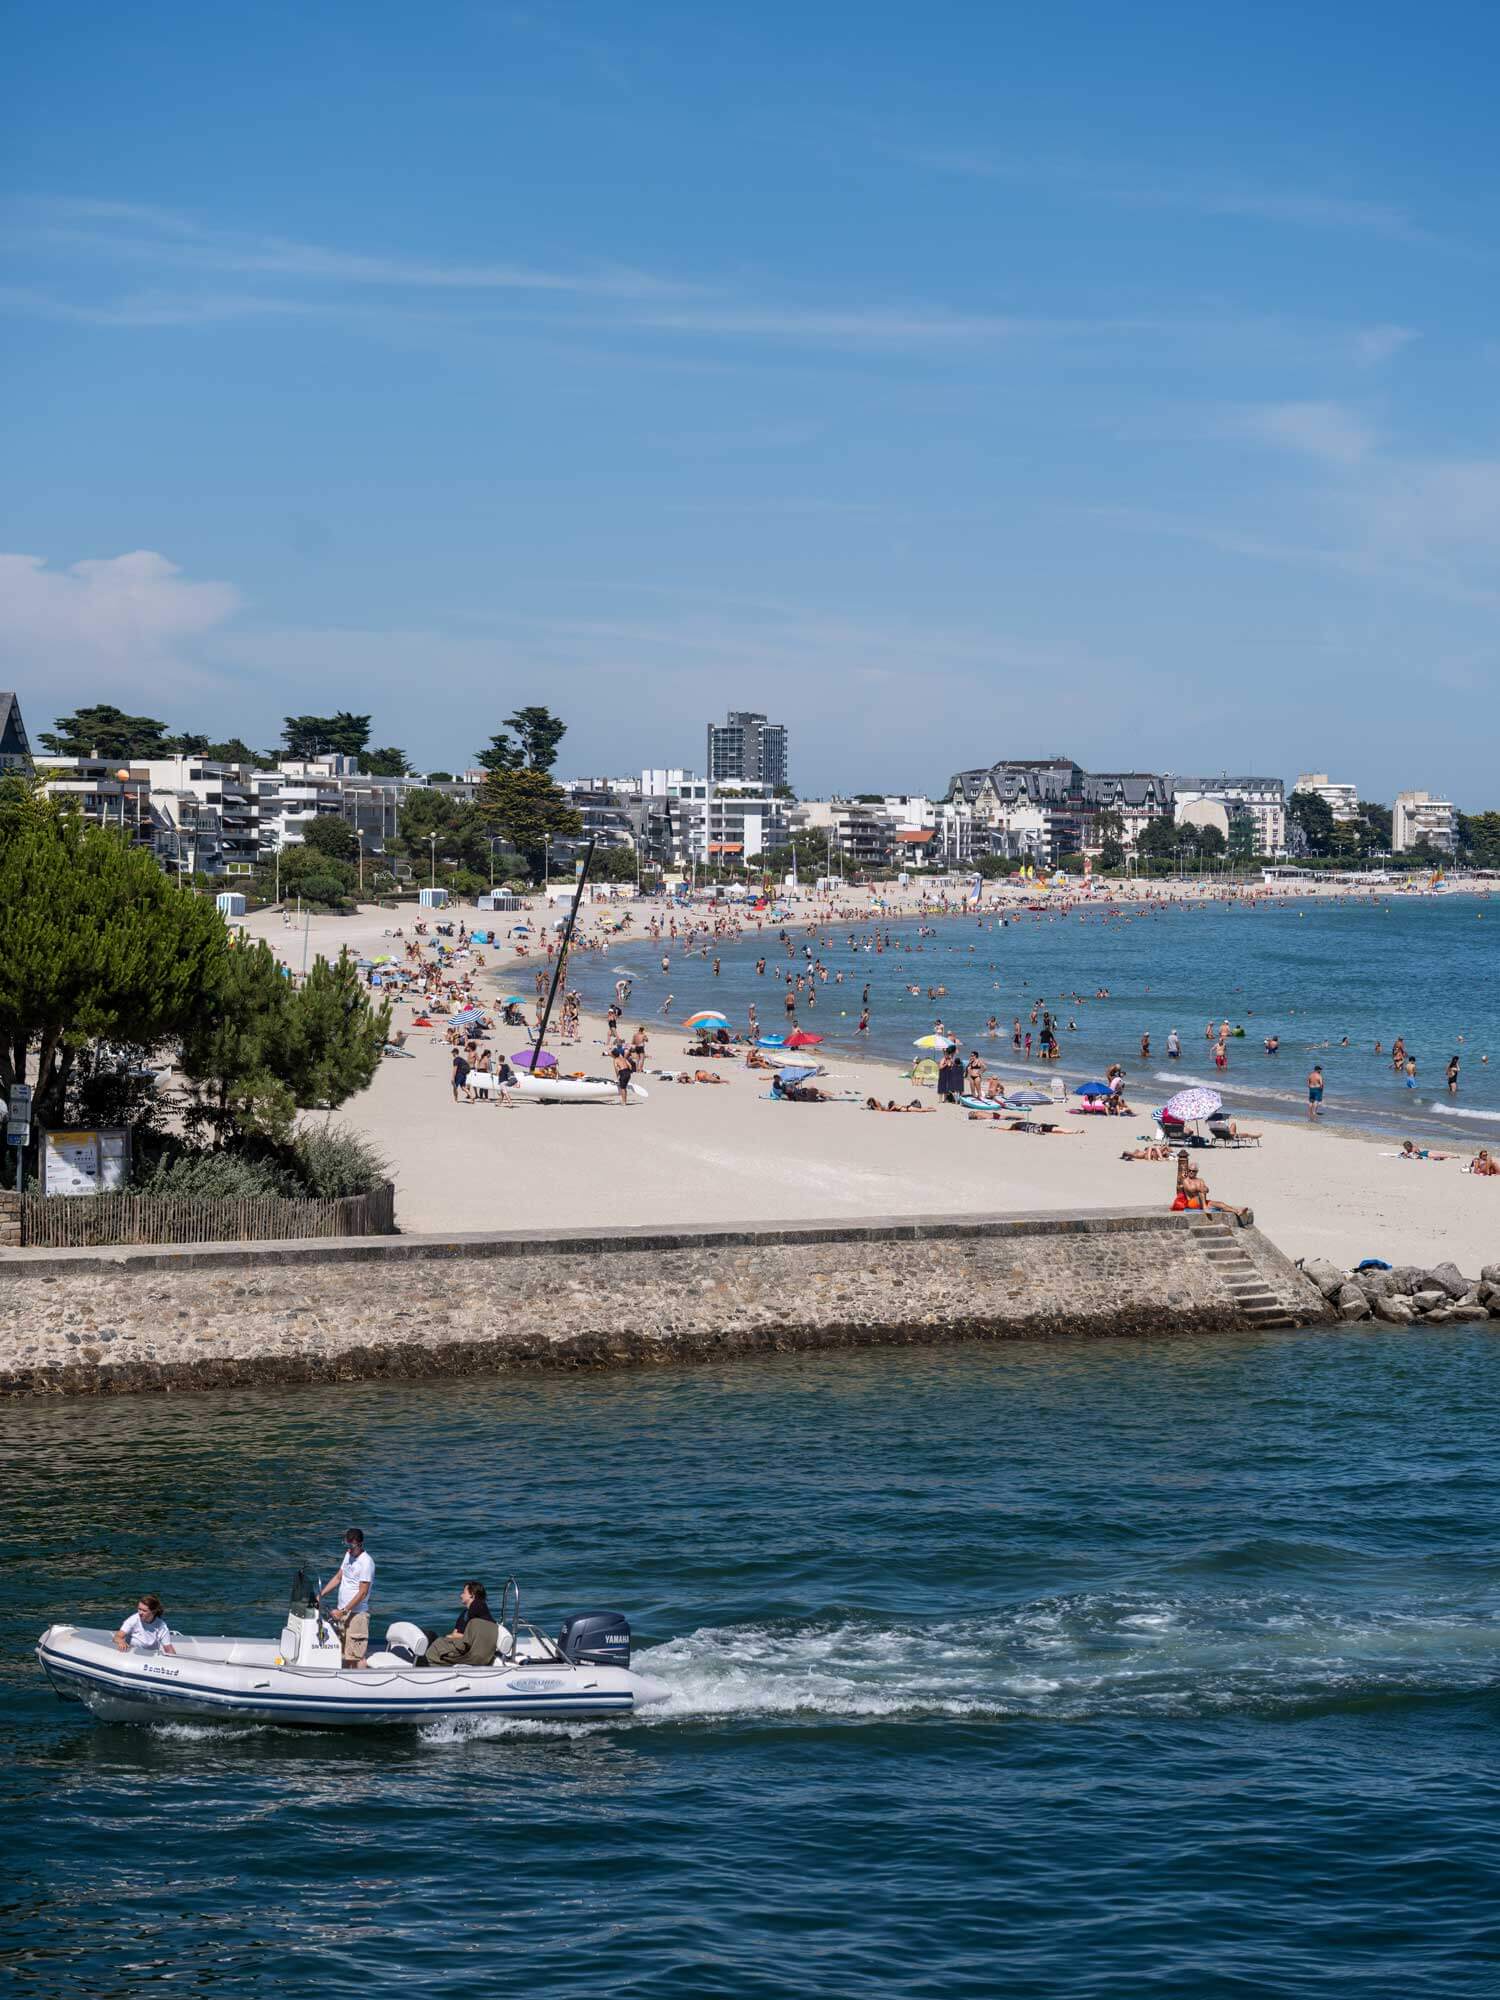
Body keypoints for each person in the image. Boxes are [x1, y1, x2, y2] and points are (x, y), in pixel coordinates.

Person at [317, 1528, 374, 1669]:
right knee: (343, 1653)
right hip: (342, 1613)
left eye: (352, 1546)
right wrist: (320, 1594)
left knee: (355, 1657)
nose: (349, 1549)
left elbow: (362, 1593)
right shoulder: (348, 1555)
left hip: (356, 1615)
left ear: (360, 1544)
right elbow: (338, 1577)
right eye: (346, 1545)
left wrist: (343, 1611)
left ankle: (362, 1685)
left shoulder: (366, 1563)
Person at [424, 1581, 502, 1667]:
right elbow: (455, 1633)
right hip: (458, 1644)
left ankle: (425, 1661)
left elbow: (471, 1636)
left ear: (472, 1594)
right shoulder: (465, 1613)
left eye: (464, 1593)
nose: (461, 1595)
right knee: (429, 1635)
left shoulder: (478, 1606)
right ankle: (422, 1655)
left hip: (466, 1649)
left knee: (437, 1643)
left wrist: (452, 1637)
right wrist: (452, 1636)